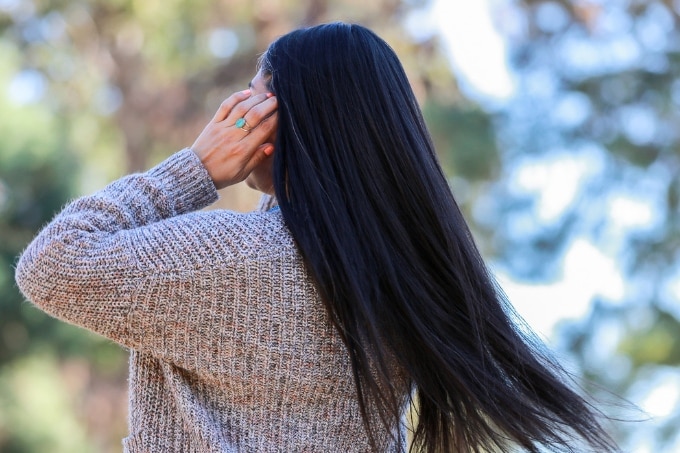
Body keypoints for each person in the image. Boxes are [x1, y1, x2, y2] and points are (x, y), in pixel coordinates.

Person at [15, 22, 618, 452]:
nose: (235, 111)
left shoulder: (237, 260)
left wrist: (195, 167)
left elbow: (51, 264)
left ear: (283, 118)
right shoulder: (398, 283)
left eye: (253, 96)